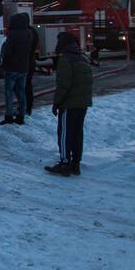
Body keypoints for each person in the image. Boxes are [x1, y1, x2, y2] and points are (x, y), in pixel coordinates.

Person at [45, 31, 93, 177]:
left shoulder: (65, 60)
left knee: (65, 133)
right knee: (77, 133)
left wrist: (57, 103)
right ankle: (75, 163)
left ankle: (65, 162)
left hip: (69, 103)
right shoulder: (83, 58)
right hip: (82, 103)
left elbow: (63, 85)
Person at [0, 13, 33, 125]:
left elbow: (8, 52)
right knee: (21, 92)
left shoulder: (12, 34)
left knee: (9, 93)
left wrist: (3, 64)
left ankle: (8, 115)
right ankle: (21, 115)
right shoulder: (29, 33)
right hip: (24, 67)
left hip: (11, 67)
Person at [25, 20, 40, 117]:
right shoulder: (33, 31)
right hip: (31, 62)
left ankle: (26, 107)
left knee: (23, 86)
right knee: (28, 85)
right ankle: (28, 107)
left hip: (24, 63)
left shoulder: (25, 32)